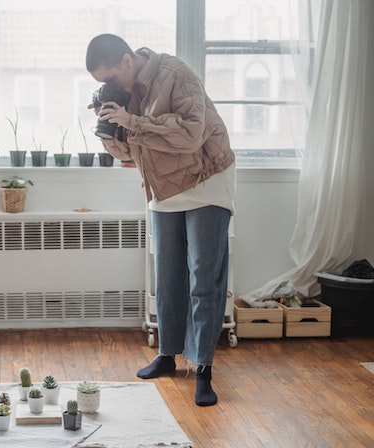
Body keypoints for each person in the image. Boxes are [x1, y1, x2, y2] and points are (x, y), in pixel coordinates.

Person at [86, 33, 236, 406]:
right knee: (168, 274)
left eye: (110, 76)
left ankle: (203, 368)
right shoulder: (123, 91)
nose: (109, 85)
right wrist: (110, 129)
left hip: (205, 178)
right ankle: (168, 355)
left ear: (126, 59)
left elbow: (190, 134)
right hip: (164, 188)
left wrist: (133, 121)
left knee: (203, 278)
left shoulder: (175, 72)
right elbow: (133, 152)